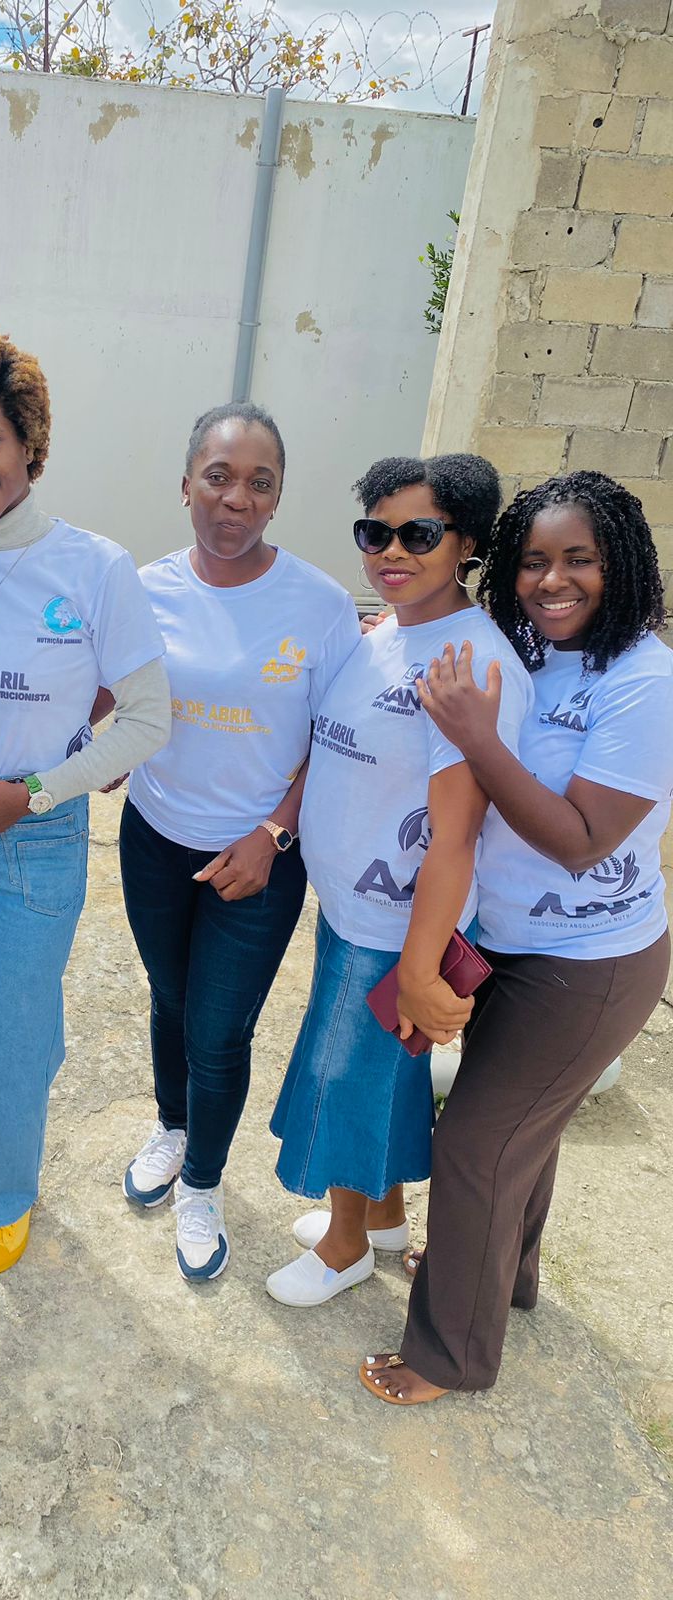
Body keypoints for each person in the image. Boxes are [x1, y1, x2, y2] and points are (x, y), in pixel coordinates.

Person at [360, 471, 672, 1403]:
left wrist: (478, 737)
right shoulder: (533, 649)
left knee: (474, 1145)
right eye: (534, 561)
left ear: (621, 563)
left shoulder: (646, 682)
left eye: (579, 559)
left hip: (590, 964)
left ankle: (448, 1358)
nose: (552, 581)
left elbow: (580, 841)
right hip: (506, 939)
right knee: (521, 1135)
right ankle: (505, 1278)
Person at [0, 324, 170, 1273]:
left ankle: (5, 1190)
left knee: (12, 1023)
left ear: (29, 441)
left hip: (37, 832)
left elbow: (147, 719)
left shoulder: (95, 568)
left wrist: (36, 792)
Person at [265, 453, 533, 1307]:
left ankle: (344, 1247)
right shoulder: (387, 632)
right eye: (374, 533)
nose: (391, 551)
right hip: (351, 909)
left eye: (418, 534)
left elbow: (456, 837)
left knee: (343, 1075)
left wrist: (420, 966)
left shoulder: (467, 663)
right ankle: (382, 1219)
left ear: (465, 543)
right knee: (383, 1071)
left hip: (399, 925)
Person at [117, 402, 361, 1280]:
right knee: (169, 998)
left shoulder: (322, 606)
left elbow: (335, 740)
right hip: (154, 837)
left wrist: (274, 832)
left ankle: (204, 1184)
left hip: (258, 860)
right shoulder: (143, 589)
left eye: (260, 483)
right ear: (186, 485)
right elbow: (120, 693)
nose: (236, 499)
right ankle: (174, 1127)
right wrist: (106, 750)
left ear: (278, 497)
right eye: (218, 477)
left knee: (218, 1030)